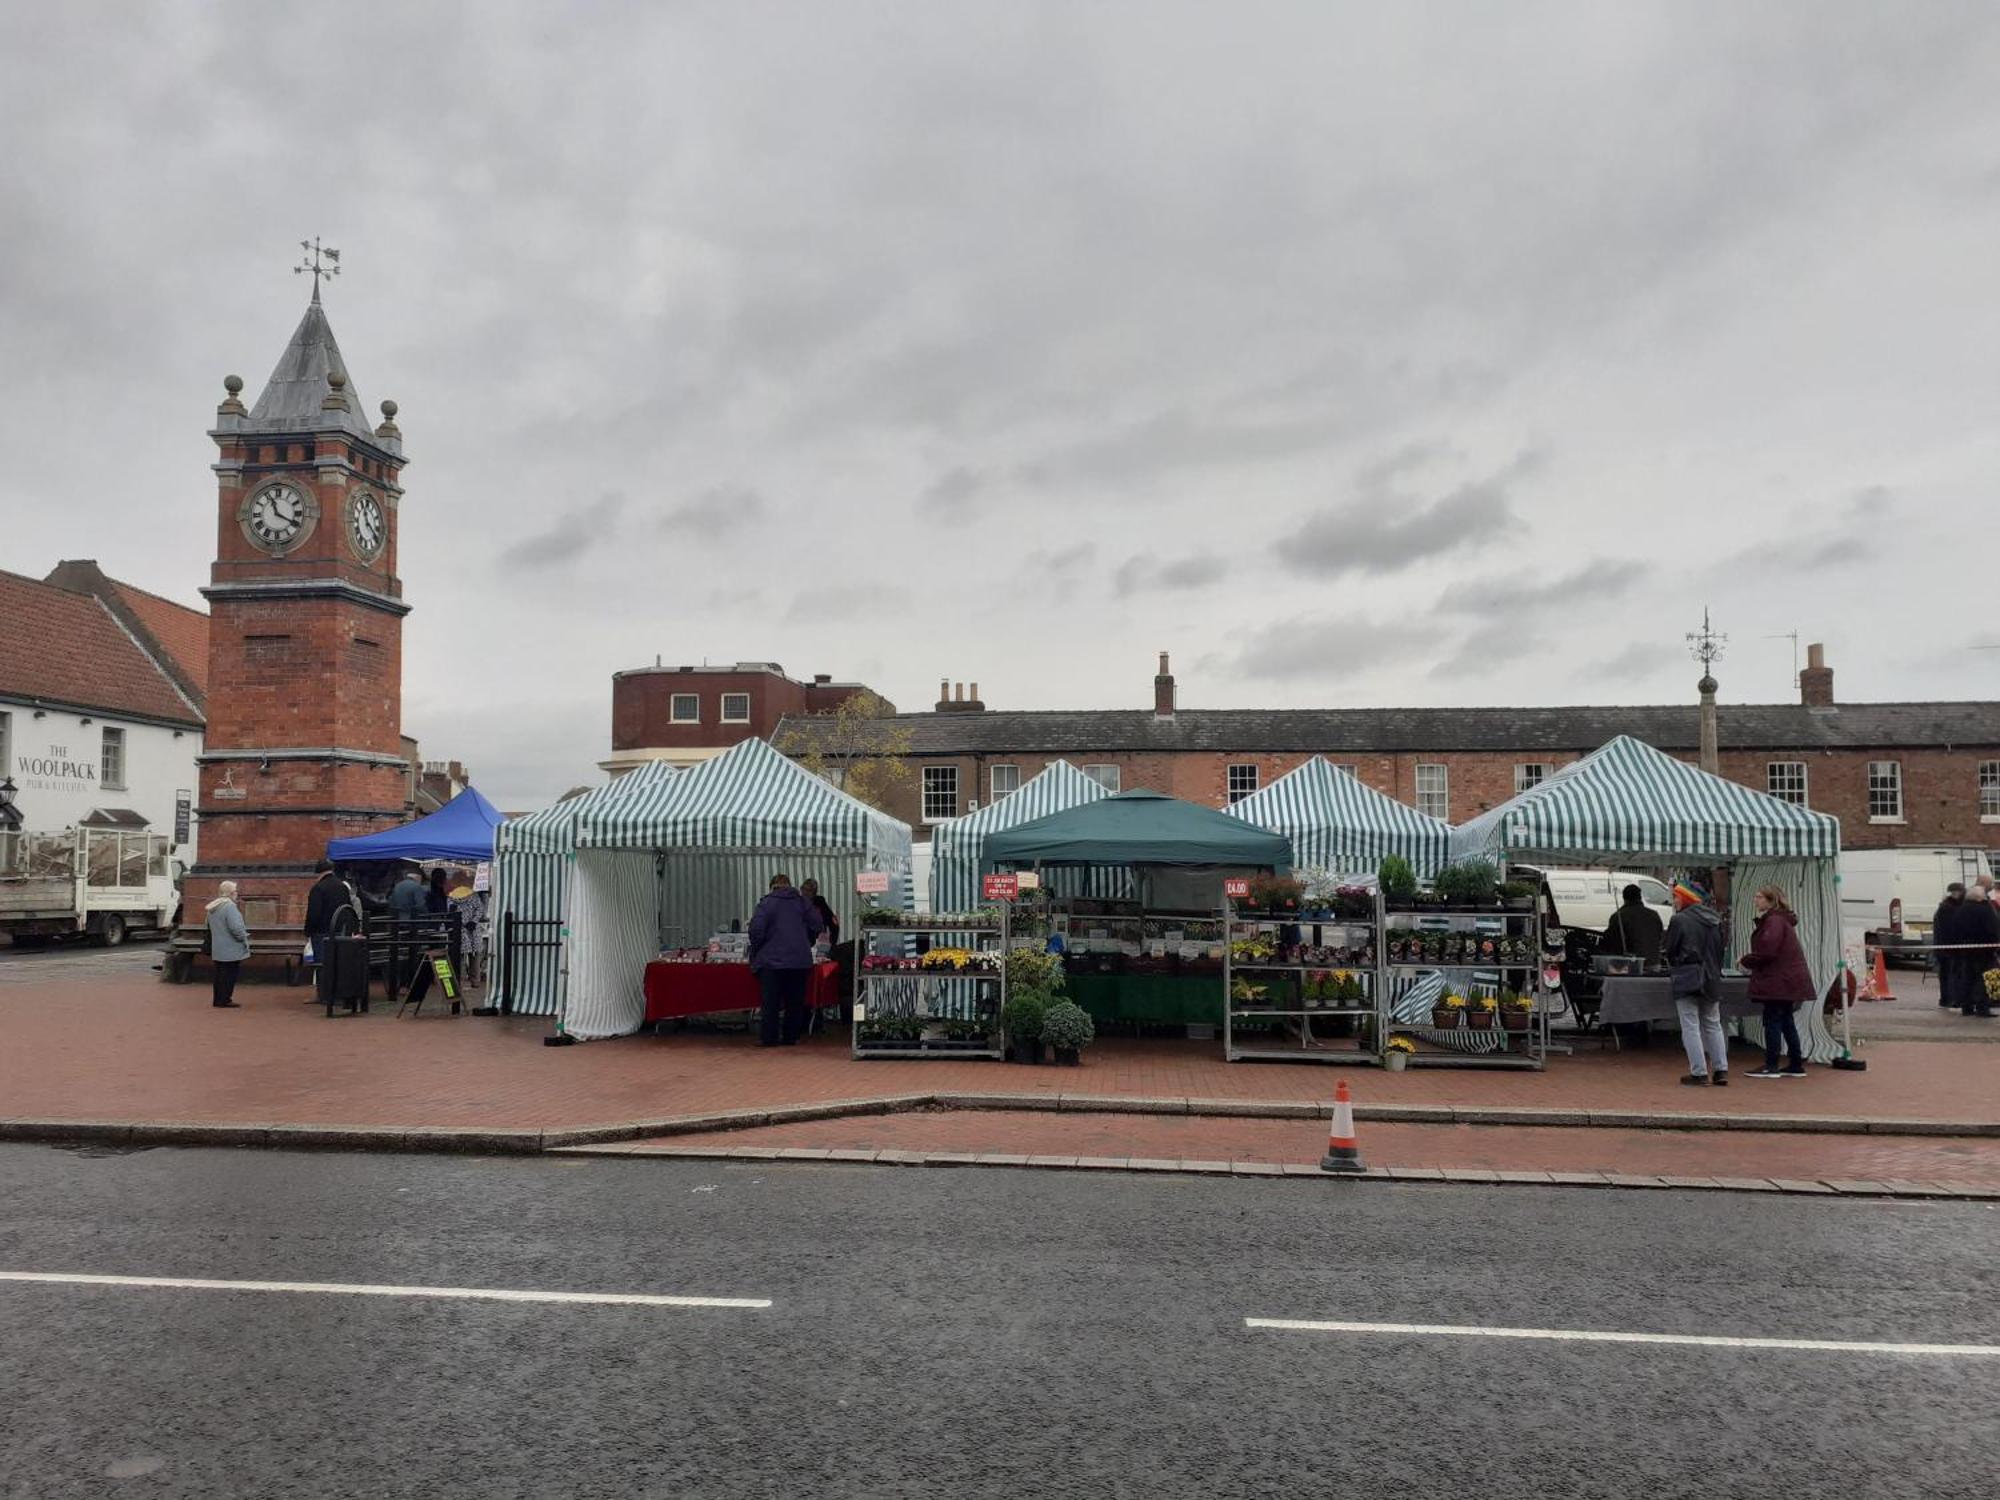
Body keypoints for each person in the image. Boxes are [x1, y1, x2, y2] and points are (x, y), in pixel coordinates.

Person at [747, 872, 825, 1047]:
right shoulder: (802, 902)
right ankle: (791, 1037)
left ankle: (769, 1038)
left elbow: (756, 930)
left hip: (771, 961)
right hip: (799, 961)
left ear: (772, 887)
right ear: (790, 885)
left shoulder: (766, 903)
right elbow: (817, 923)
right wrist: (807, 940)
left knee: (771, 1002)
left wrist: (757, 949)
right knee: (794, 1002)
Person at [1740, 885, 1810, 1077]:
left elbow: (1768, 952)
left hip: (1778, 980)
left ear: (1771, 901)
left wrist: (1746, 960)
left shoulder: (1773, 922)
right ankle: (1795, 1063)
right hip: (1788, 979)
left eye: (1759, 897)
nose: (1756, 900)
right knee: (1787, 1020)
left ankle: (1771, 1065)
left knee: (1773, 1020)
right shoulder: (1781, 920)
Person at [1664, 879, 1727, 1086]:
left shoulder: (1679, 920)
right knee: (1713, 1023)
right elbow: (1721, 950)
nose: (1673, 901)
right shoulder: (1716, 920)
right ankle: (1721, 1070)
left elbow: (1670, 950)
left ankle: (1699, 1072)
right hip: (1712, 978)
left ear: (1685, 898)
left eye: (1675, 897)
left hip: (1687, 976)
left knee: (1690, 1024)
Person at [206, 880, 249, 1009]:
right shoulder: (229, 907)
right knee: (230, 974)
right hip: (231, 947)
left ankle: (218, 999)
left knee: (219, 974)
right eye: (235, 891)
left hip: (218, 946)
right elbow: (235, 928)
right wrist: (243, 938)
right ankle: (226, 999)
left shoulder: (213, 907)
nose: (237, 894)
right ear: (231, 893)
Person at [1599, 883, 1665, 967]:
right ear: (1640, 897)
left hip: (1632, 965)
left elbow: (1612, 943)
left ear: (1624, 898)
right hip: (1654, 962)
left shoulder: (1619, 916)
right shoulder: (1654, 914)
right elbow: (1660, 936)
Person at [800, 878, 840, 950]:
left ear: (814, 892)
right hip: (802, 944)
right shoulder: (796, 903)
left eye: (809, 891)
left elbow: (834, 924)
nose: (805, 893)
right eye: (803, 889)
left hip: (819, 944)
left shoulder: (820, 902)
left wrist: (832, 943)